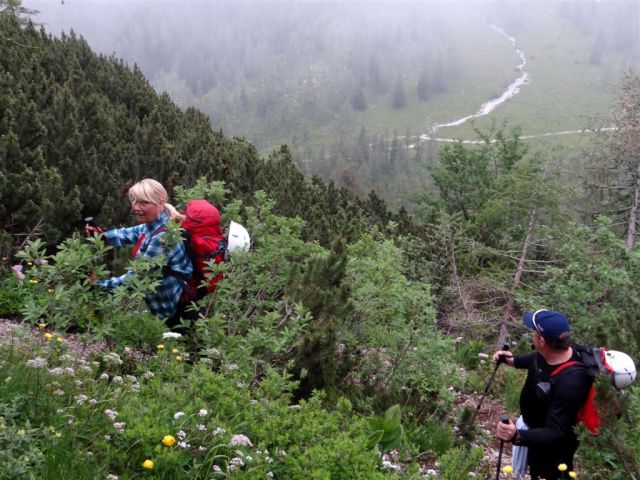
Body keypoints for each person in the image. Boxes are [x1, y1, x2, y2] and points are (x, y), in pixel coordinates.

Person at [494, 309, 594, 480]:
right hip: (535, 428)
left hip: (554, 445)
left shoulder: (572, 382)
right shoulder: (552, 350)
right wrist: (512, 360)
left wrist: (517, 436)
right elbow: (536, 359)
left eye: (533, 331)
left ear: (541, 340)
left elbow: (555, 432)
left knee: (550, 474)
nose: (531, 334)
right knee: (536, 470)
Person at [92, 179, 193, 322]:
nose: (136, 208)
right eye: (134, 201)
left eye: (144, 203)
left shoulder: (163, 237)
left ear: (160, 202)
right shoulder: (155, 223)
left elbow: (134, 279)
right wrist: (102, 236)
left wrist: (96, 285)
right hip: (167, 305)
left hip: (174, 313)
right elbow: (127, 233)